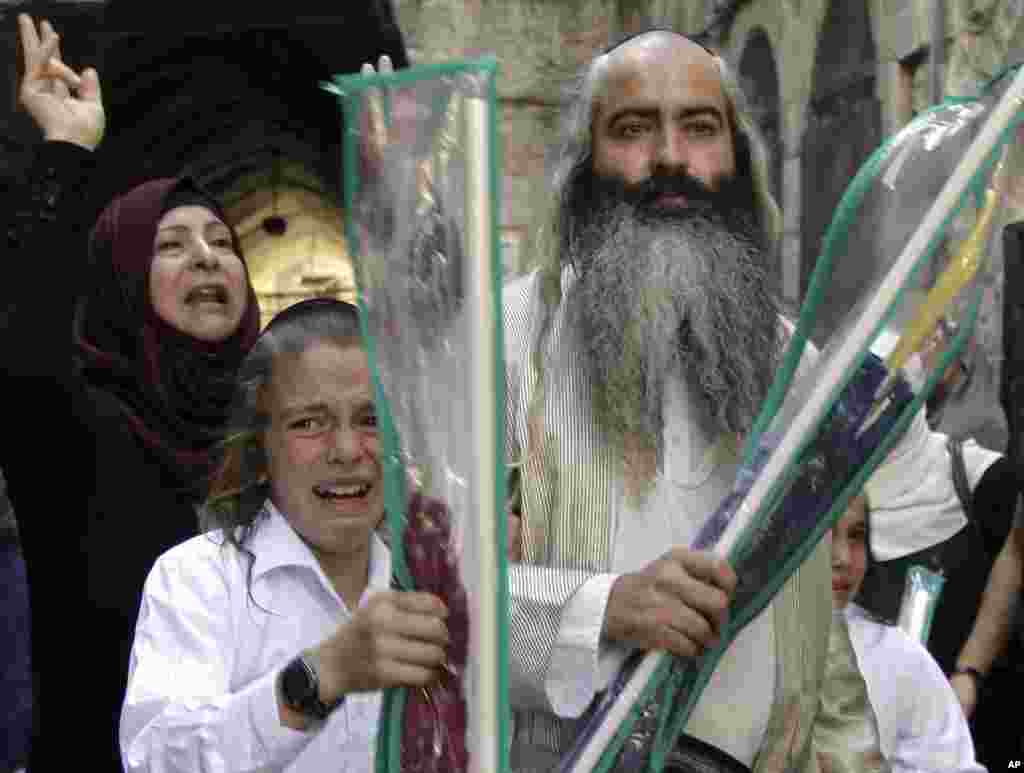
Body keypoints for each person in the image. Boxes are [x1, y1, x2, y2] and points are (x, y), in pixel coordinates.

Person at [499, 30, 832, 771]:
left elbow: (820, 642)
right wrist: (603, 610)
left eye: (700, 128)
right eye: (632, 129)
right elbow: (429, 607)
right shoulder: (504, 343)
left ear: (738, 162)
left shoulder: (794, 367)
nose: (672, 158)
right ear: (583, 165)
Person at [0, 15, 260, 768]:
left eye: (221, 241)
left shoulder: (284, 443)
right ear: (124, 285)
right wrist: (63, 152)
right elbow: (25, 348)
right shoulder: (82, 440)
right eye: (171, 245)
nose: (207, 257)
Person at [119, 299, 460, 772]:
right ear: (261, 446)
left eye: (370, 420)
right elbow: (156, 759)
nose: (346, 450)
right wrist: (320, 677)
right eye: (309, 423)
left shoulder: (427, 586)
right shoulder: (199, 578)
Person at [812, 494, 983, 772]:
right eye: (824, 535)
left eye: (856, 536)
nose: (842, 558)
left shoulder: (900, 658)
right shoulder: (742, 646)